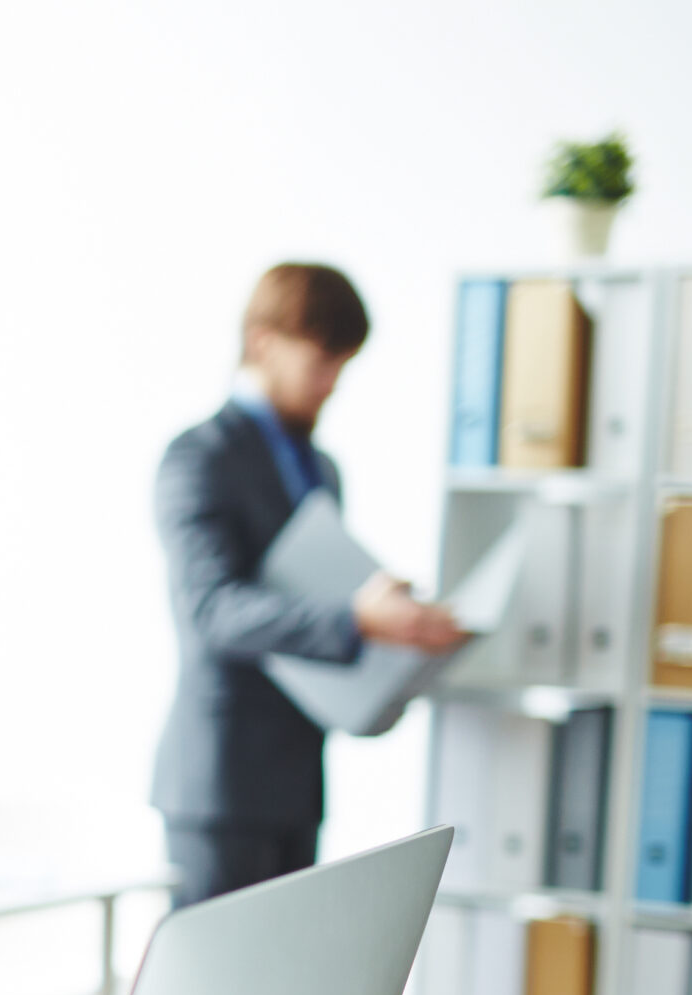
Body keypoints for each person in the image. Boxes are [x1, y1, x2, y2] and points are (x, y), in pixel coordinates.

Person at [152, 262, 466, 908]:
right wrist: (356, 618)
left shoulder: (321, 467)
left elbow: (315, 593)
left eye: (341, 367)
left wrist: (389, 641)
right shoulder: (200, 456)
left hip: (296, 777)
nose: (331, 385)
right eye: (321, 361)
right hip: (221, 783)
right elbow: (212, 609)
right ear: (263, 342)